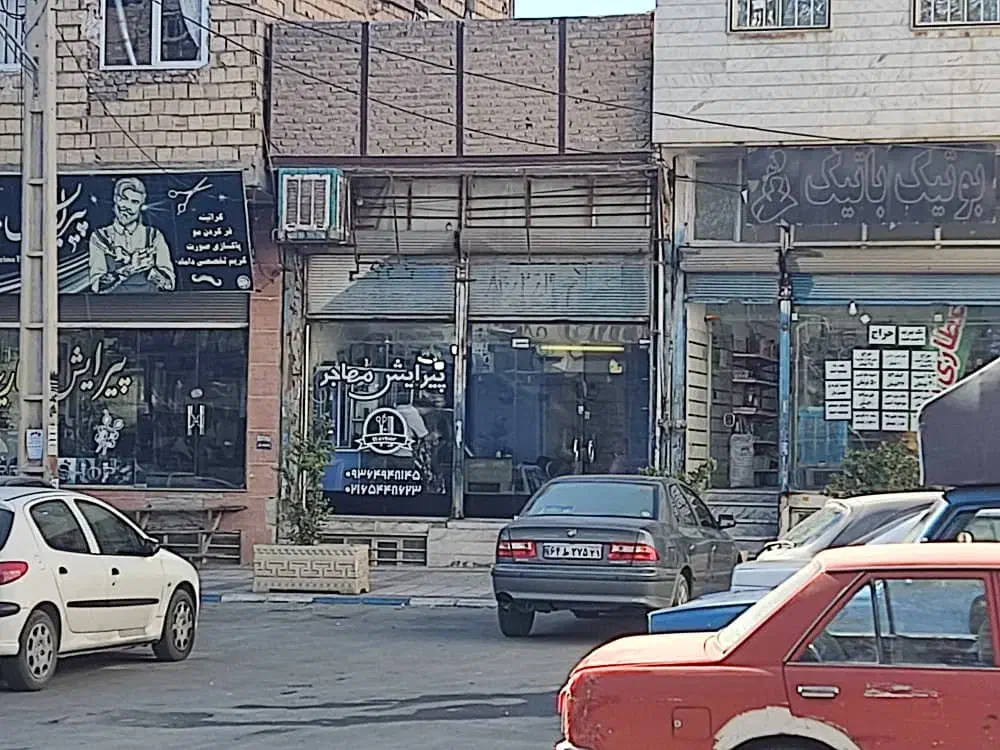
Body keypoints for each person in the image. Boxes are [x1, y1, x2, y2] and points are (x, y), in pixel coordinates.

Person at [89, 177, 176, 294]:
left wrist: (149, 270)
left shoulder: (154, 236)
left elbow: (169, 285)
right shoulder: (99, 237)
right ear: (115, 199)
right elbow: (97, 286)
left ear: (141, 205)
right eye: (124, 199)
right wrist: (130, 268)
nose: (127, 206)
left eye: (134, 202)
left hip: (149, 303)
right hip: (112, 304)